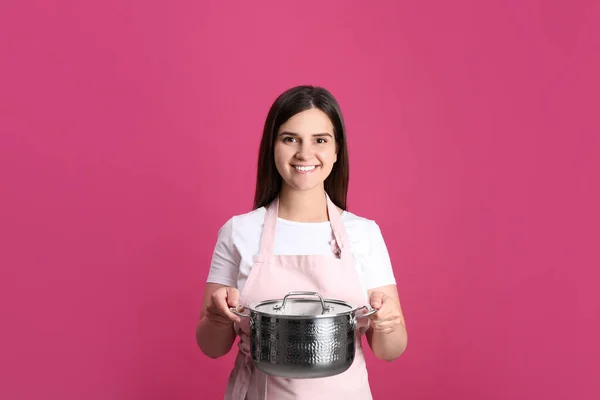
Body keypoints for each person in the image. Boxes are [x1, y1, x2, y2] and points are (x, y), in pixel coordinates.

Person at [196, 85, 407, 399]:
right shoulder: (238, 231)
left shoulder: (364, 234)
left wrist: (388, 324)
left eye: (320, 140)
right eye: (289, 138)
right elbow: (212, 347)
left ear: (337, 151)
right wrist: (215, 318)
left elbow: (390, 351)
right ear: (272, 147)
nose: (304, 153)